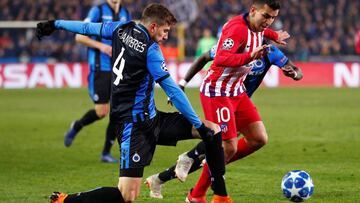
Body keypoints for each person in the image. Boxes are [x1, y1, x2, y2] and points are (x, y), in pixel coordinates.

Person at [36, 3, 232, 203]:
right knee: (126, 195)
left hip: (152, 118)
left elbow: (87, 28)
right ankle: (65, 200)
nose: (166, 36)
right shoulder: (151, 51)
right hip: (132, 125)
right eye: (165, 31)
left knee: (213, 129)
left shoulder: (121, 28)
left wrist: (55, 23)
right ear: (153, 27)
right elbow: (172, 91)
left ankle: (220, 192)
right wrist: (197, 123)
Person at [148, 0, 290, 202]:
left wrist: (275, 35)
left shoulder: (258, 27)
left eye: (273, 18)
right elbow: (221, 58)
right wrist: (249, 56)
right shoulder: (235, 29)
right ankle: (199, 194)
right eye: (266, 16)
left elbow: (263, 32)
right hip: (217, 91)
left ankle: (205, 161)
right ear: (252, 11)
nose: (269, 22)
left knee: (258, 138)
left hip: (236, 91)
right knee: (228, 147)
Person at [63, 0, 131, 163]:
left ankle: (106, 153)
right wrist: (102, 46)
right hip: (100, 68)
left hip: (118, 69)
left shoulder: (125, 13)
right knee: (102, 111)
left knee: (118, 111)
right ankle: (77, 126)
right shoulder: (97, 11)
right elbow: (79, 36)